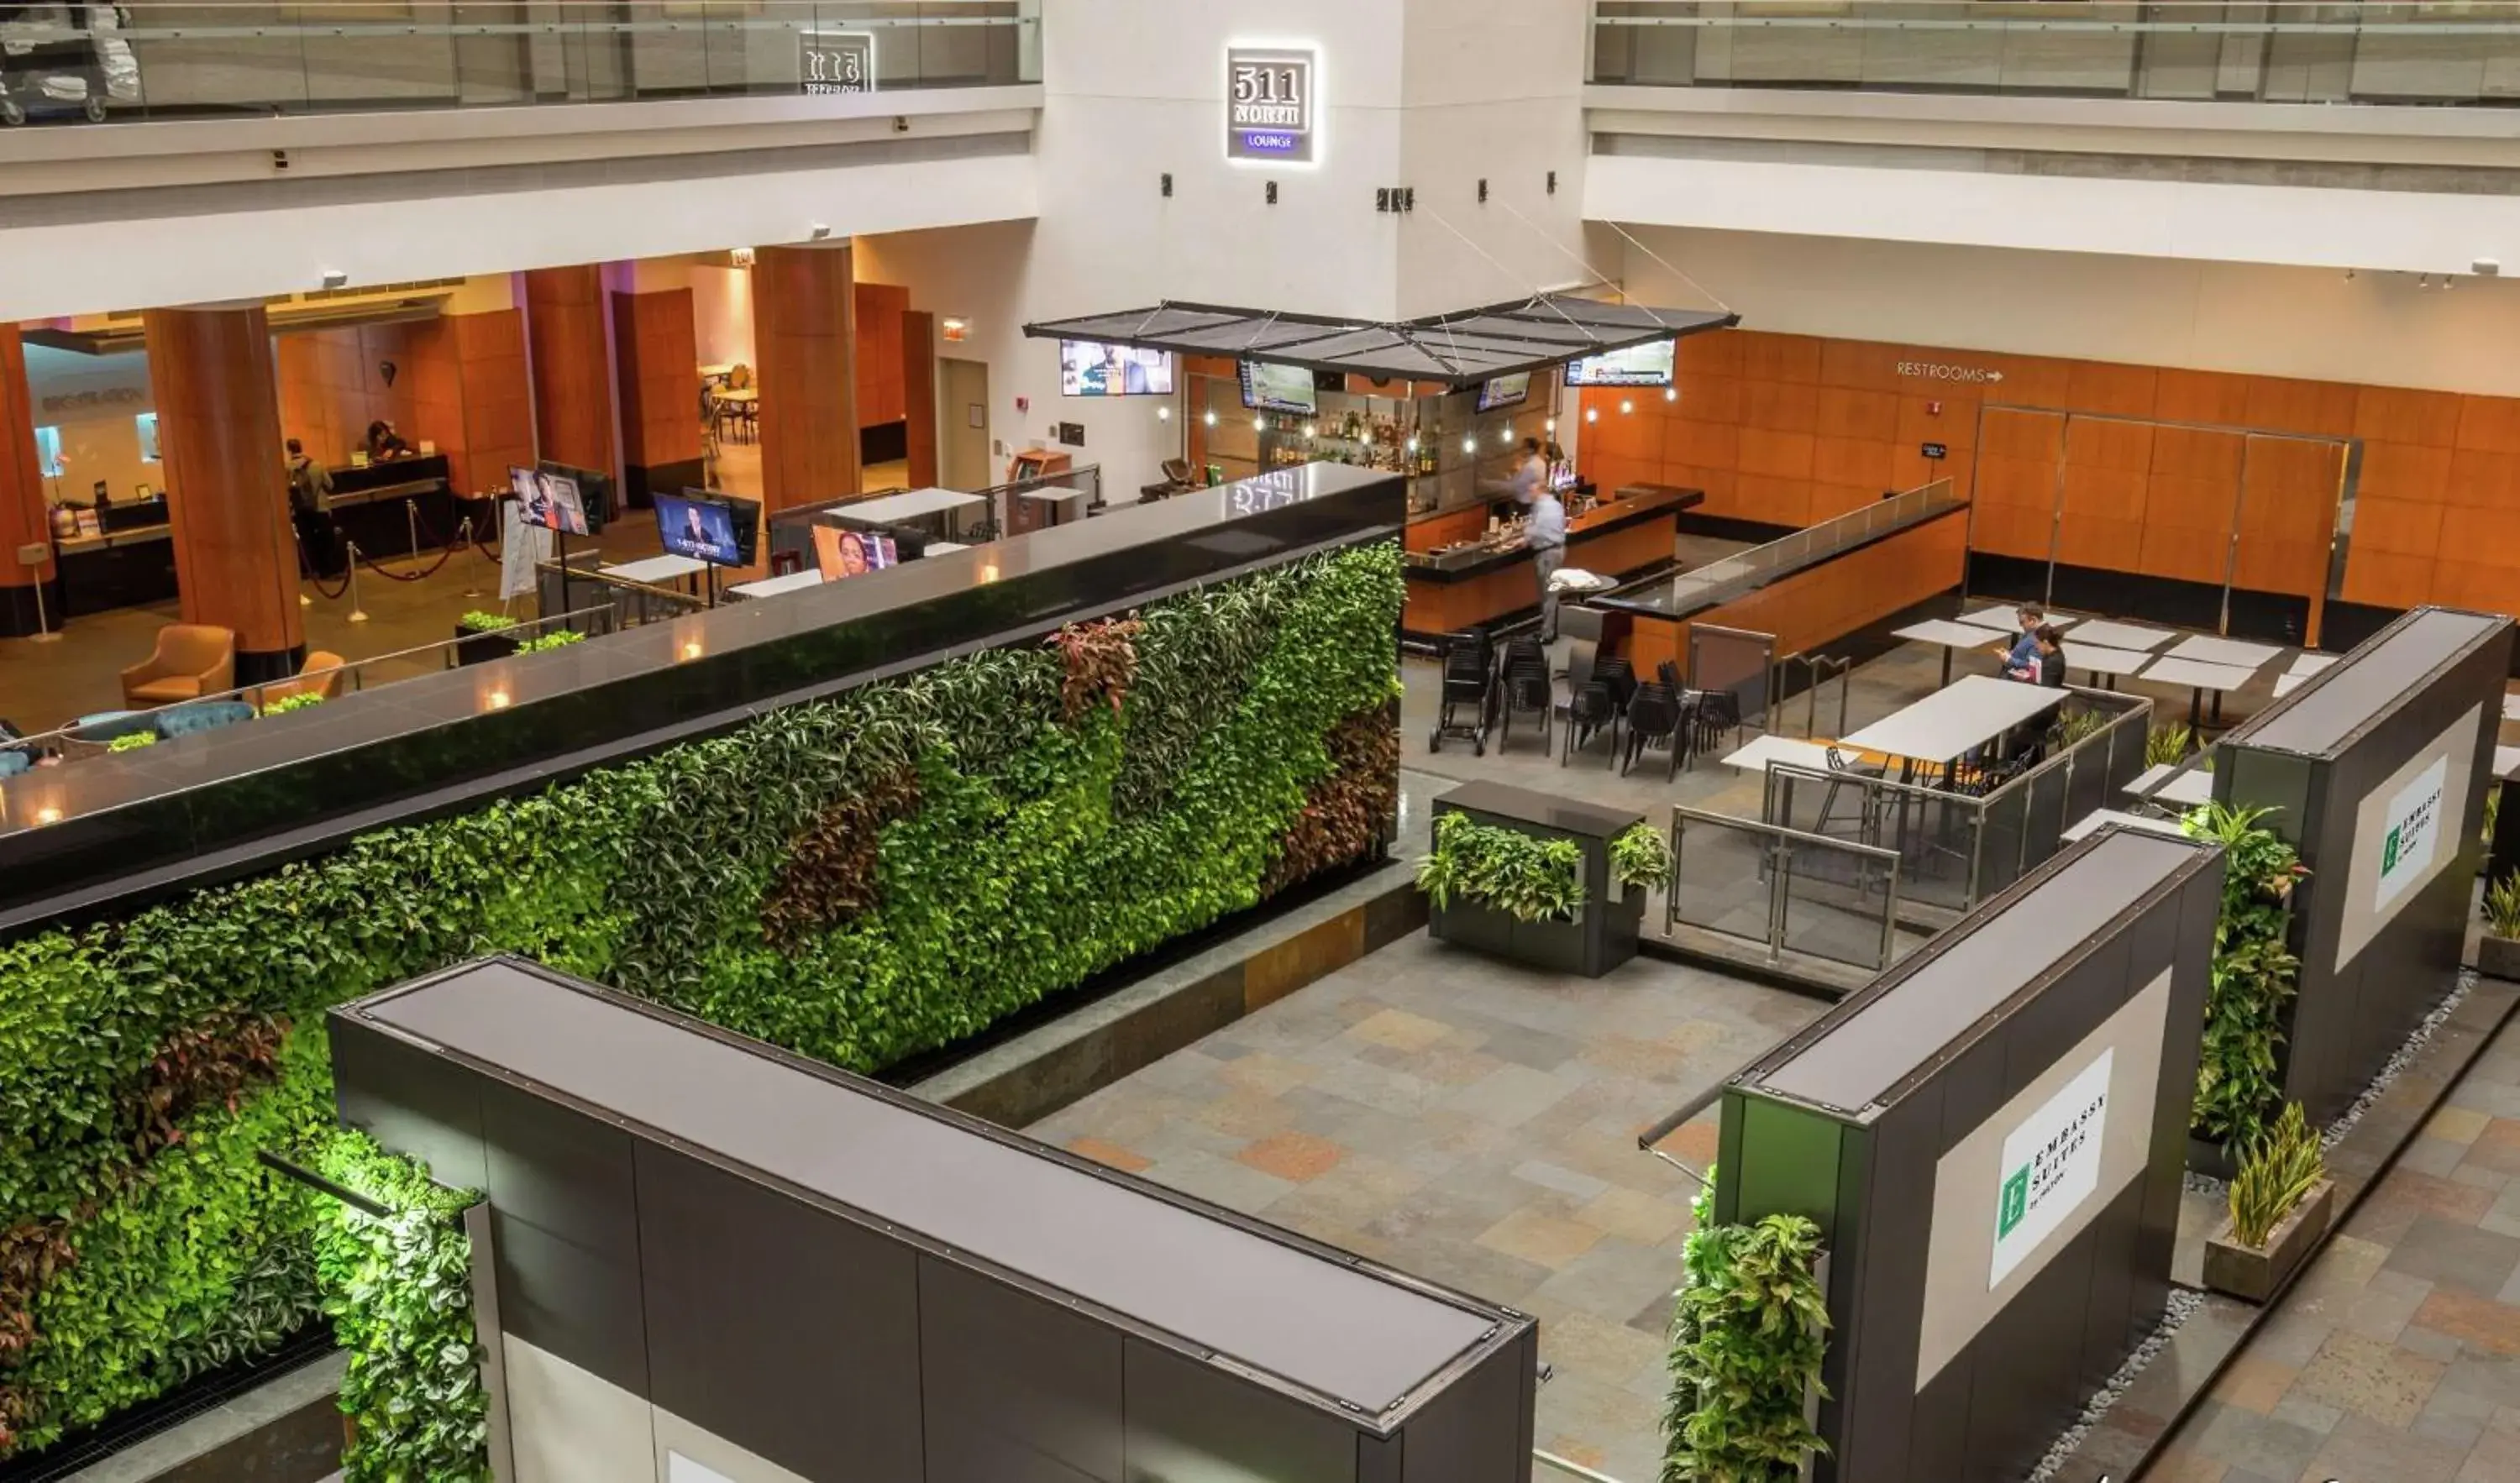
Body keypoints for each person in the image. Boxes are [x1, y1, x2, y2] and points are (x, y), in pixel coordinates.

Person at [285, 438, 343, 578]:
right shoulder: (316, 464)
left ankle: (310, 570)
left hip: (300, 510)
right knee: (325, 539)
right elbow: (330, 485)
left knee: (306, 541)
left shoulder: (287, 468)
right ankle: (328, 570)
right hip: (320, 508)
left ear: (289, 450)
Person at [1522, 477, 1568, 643]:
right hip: (1557, 550)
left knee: (1548, 595)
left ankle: (1548, 634)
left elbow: (1536, 530)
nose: (1530, 493)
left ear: (1540, 490)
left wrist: (1522, 540)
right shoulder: (1555, 505)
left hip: (1547, 554)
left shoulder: (1541, 507)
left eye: (1532, 490)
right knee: (1551, 594)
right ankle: (1550, 628)